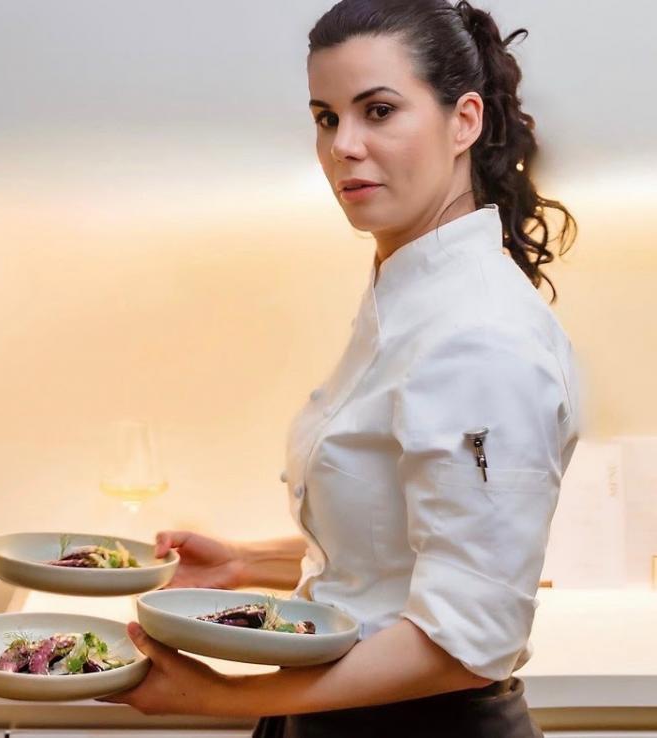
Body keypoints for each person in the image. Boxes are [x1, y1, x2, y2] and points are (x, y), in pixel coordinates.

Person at [100, 1, 580, 735]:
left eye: (378, 111)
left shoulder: (481, 336)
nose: (343, 147)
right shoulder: (410, 294)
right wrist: (243, 565)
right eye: (326, 118)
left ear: (464, 121)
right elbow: (401, 544)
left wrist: (219, 697)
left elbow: (468, 642)